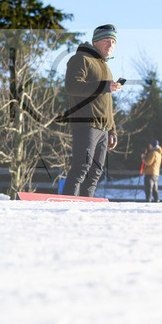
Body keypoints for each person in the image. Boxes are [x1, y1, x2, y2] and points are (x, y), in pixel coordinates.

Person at [62, 24, 121, 197]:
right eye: (106, 41)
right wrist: (103, 86)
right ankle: (65, 208)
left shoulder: (106, 67)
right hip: (85, 124)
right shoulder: (80, 59)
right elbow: (71, 86)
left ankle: (86, 212)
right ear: (95, 42)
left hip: (103, 129)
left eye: (113, 42)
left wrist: (112, 130)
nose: (110, 45)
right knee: (82, 167)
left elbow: (106, 104)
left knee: (95, 173)